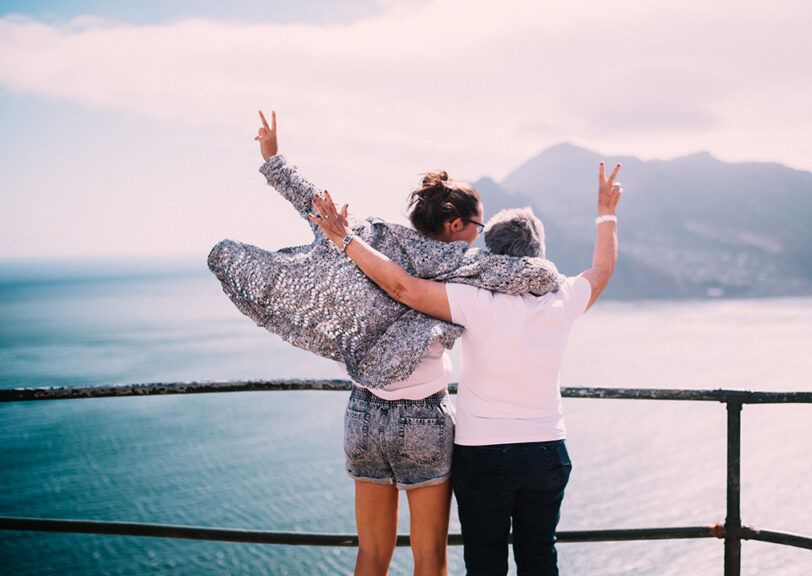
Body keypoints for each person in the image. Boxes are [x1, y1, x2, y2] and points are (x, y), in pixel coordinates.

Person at [210, 111, 562, 576]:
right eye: (477, 225)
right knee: (428, 560)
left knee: (371, 555)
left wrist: (274, 159)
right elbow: (537, 276)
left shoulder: (366, 237)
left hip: (363, 415)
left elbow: (311, 201)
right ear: (455, 224)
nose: (479, 235)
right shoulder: (464, 267)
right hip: (423, 420)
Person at [310, 161, 623, 575]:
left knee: (484, 561)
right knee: (540, 557)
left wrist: (345, 238)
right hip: (547, 450)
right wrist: (607, 212)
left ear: (490, 252)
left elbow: (401, 285)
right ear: (539, 252)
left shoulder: (473, 298)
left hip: (483, 454)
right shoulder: (562, 297)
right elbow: (602, 270)